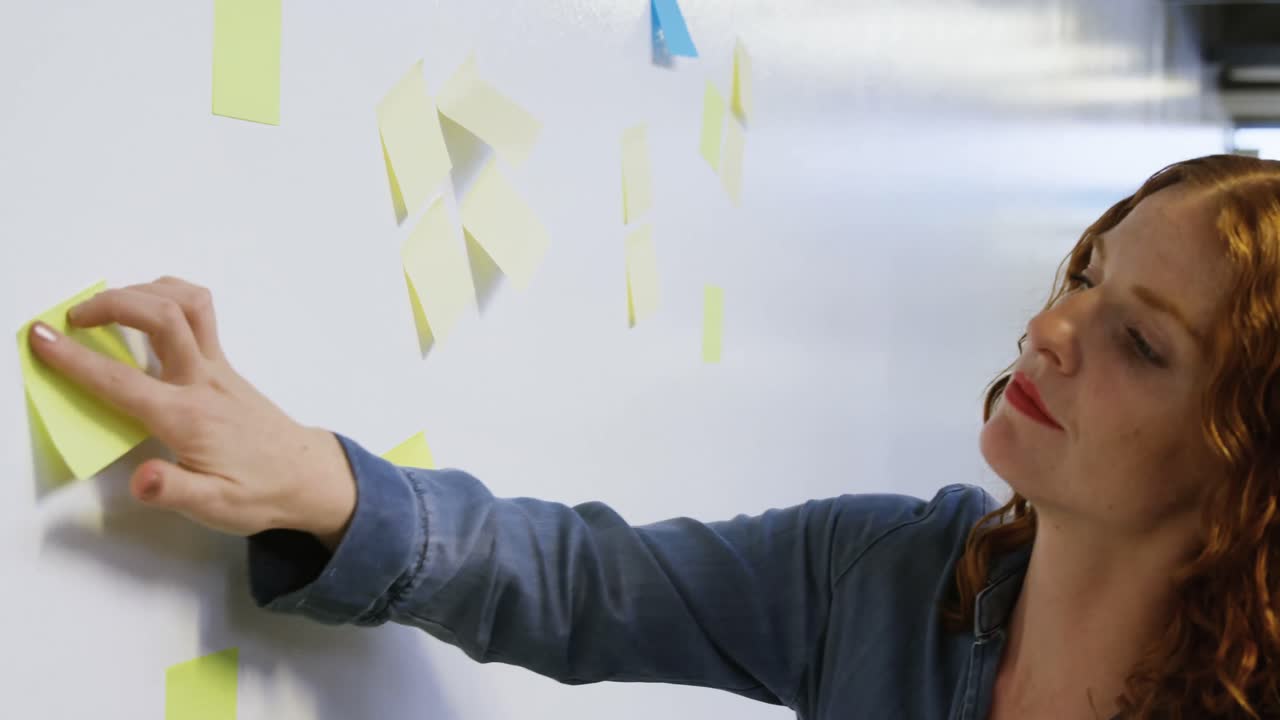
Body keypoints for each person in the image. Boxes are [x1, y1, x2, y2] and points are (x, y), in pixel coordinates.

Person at [24, 153, 1280, 719]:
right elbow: (586, 583)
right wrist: (315, 479)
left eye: (1137, 342)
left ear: (1241, 463)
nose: (1051, 330)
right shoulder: (885, 578)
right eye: (1085, 274)